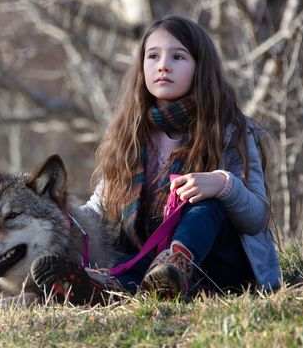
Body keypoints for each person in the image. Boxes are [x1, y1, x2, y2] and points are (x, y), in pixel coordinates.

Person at [30, 15, 281, 304]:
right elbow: (98, 211)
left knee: (206, 202)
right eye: (153, 56)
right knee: (133, 263)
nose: (163, 65)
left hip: (223, 273)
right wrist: (57, 214)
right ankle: (105, 289)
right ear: (142, 67)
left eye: (178, 56)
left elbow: (257, 218)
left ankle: (173, 265)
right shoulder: (129, 134)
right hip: (147, 269)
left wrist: (223, 184)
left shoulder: (229, 129)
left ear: (201, 68)